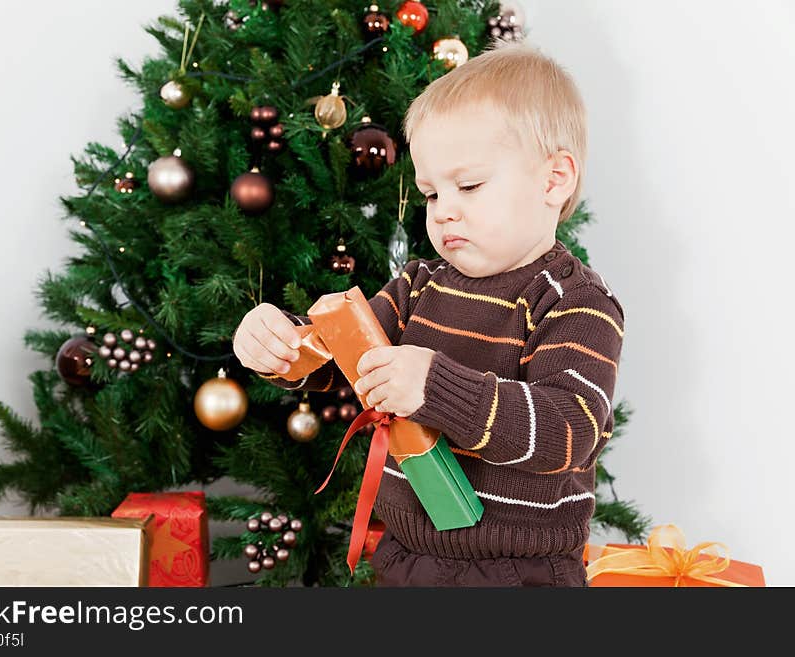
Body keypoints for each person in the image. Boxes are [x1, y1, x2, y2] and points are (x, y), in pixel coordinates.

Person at [232, 40, 624, 587]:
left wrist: (435, 388)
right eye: (430, 194)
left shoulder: (572, 301)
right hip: (408, 556)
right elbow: (343, 354)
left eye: (468, 185)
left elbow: (569, 431)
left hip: (519, 572)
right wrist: (280, 346)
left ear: (554, 179)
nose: (445, 212)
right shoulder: (420, 283)